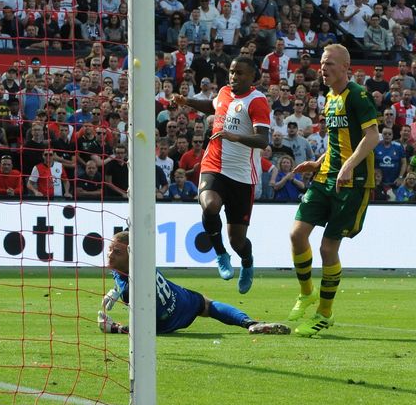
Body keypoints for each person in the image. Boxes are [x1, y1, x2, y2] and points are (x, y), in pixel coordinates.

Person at [287, 45, 379, 337]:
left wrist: (350, 165)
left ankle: (324, 314)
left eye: (328, 64)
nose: (322, 68)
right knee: (297, 233)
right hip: (327, 175)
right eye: (321, 64)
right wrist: (317, 162)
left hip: (352, 182)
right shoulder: (329, 98)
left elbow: (373, 136)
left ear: (345, 67)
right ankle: (306, 293)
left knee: (328, 248)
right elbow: (337, 142)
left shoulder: (358, 96)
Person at [172, 57, 270, 294]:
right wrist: (188, 101)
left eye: (240, 73)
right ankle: (219, 253)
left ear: (252, 77)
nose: (234, 77)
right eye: (232, 72)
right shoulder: (225, 92)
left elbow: (263, 140)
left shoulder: (257, 101)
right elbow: (212, 106)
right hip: (214, 164)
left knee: (238, 241)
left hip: (242, 176)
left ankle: (247, 262)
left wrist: (235, 137)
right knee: (210, 204)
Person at [98, 231, 289, 335]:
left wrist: (115, 327)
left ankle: (112, 327)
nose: (110, 255)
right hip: (177, 299)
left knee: (141, 328)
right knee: (206, 304)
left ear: (130, 255)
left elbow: (143, 327)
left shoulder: (129, 289)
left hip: (163, 321)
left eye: (117, 252)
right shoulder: (141, 261)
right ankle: (248, 322)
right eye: (110, 250)